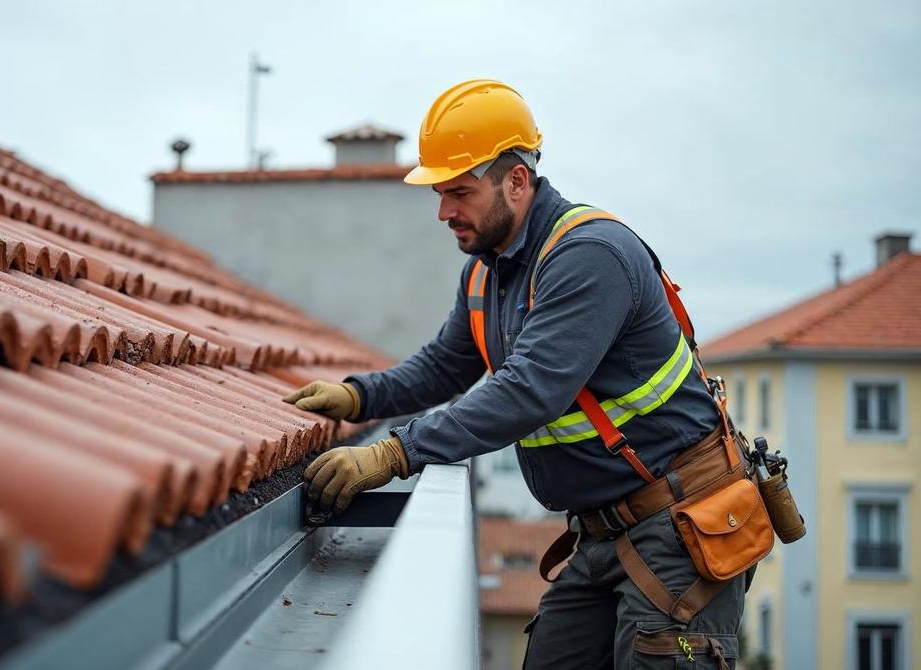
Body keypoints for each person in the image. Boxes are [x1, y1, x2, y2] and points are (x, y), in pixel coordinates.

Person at [284, 79, 750, 667]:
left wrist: (392, 454)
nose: (444, 212)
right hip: (606, 531)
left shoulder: (589, 256)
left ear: (517, 180)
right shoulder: (488, 271)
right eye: (439, 194)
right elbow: (445, 365)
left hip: (680, 526)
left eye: (458, 192)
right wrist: (357, 396)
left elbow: (530, 390)